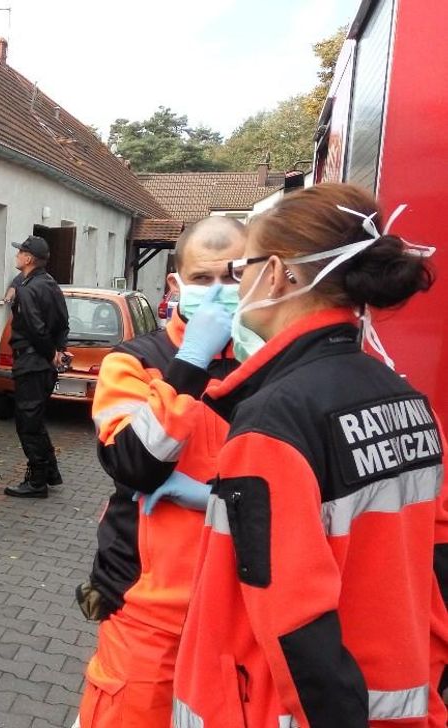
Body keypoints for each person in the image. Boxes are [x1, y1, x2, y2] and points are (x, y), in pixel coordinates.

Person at [173, 183, 448, 727]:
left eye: (240, 268)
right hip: (407, 701)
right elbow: (438, 561)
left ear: (277, 273)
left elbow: (295, 620)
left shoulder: (275, 419)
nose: (236, 283)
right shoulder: (410, 400)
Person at [75, 217, 244, 727]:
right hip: (150, 610)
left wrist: (211, 497)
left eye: (233, 276)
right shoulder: (135, 361)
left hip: (241, 608)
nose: (218, 292)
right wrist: (190, 362)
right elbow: (134, 464)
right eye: (202, 278)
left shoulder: (267, 363)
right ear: (175, 285)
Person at [4, 235, 70, 498]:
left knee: (28, 424)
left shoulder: (30, 289)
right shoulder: (50, 284)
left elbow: (35, 328)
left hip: (32, 362)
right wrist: (59, 350)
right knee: (36, 420)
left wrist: (51, 352)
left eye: (20, 251)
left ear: (29, 258)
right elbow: (63, 323)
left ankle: (37, 481)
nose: (17, 255)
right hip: (43, 363)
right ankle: (50, 472)